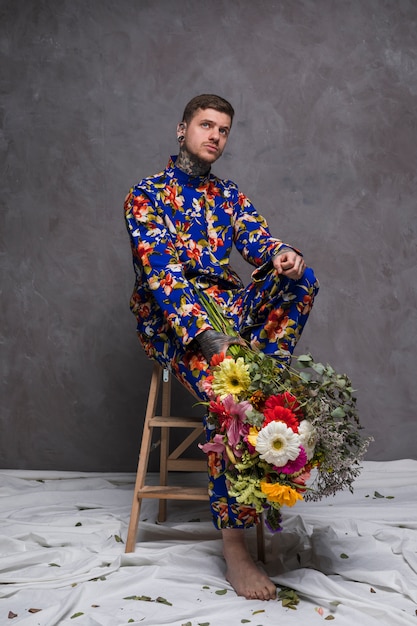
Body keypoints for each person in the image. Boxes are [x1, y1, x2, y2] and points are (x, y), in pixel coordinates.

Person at [124, 94, 319, 600]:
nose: (215, 135)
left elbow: (260, 240)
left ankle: (263, 374)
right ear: (182, 129)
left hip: (231, 310)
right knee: (229, 396)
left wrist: (284, 256)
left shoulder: (228, 194)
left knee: (303, 276)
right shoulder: (146, 196)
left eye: (224, 130)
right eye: (206, 125)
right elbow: (162, 277)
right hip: (177, 321)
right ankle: (234, 547)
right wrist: (212, 342)